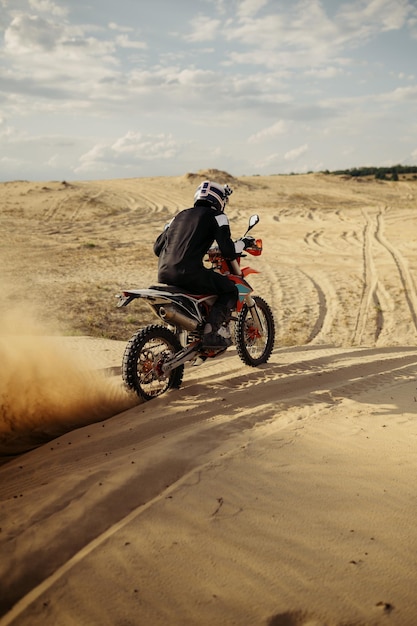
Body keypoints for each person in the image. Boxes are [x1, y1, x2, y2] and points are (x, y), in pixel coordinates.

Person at [153, 180, 245, 349]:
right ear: (219, 200)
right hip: (189, 274)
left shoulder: (177, 217)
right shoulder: (218, 216)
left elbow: (157, 248)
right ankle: (211, 333)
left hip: (164, 273)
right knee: (231, 289)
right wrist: (243, 244)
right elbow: (228, 250)